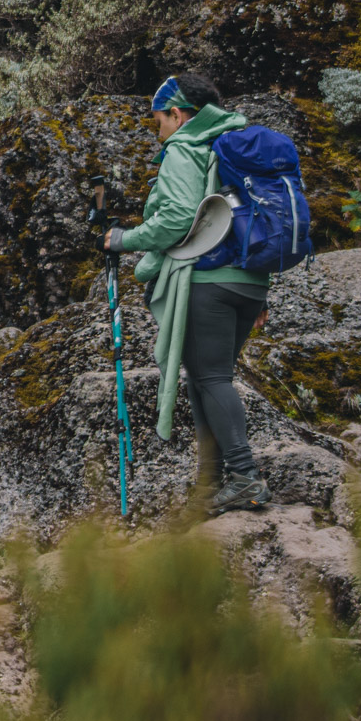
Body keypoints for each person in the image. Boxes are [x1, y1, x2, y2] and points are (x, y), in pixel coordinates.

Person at [102, 73, 270, 512]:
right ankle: (210, 479)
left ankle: (244, 476)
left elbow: (177, 218)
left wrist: (125, 239)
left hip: (207, 280)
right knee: (204, 376)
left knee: (211, 377)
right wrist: (259, 295)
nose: (159, 131)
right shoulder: (236, 140)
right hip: (249, 281)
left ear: (177, 114)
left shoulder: (185, 147)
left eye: (159, 120)